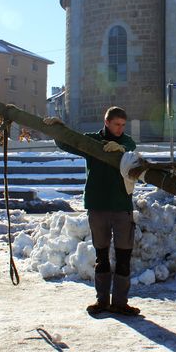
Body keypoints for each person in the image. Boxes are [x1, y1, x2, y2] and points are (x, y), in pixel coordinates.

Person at [44, 107, 140, 316]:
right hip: (97, 205)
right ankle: (102, 301)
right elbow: (67, 143)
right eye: (116, 124)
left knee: (124, 256)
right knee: (102, 256)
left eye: (123, 125)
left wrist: (120, 148)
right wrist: (58, 129)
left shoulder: (126, 142)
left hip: (122, 207)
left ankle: (120, 303)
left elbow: (129, 147)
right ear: (107, 122)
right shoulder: (91, 142)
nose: (120, 128)